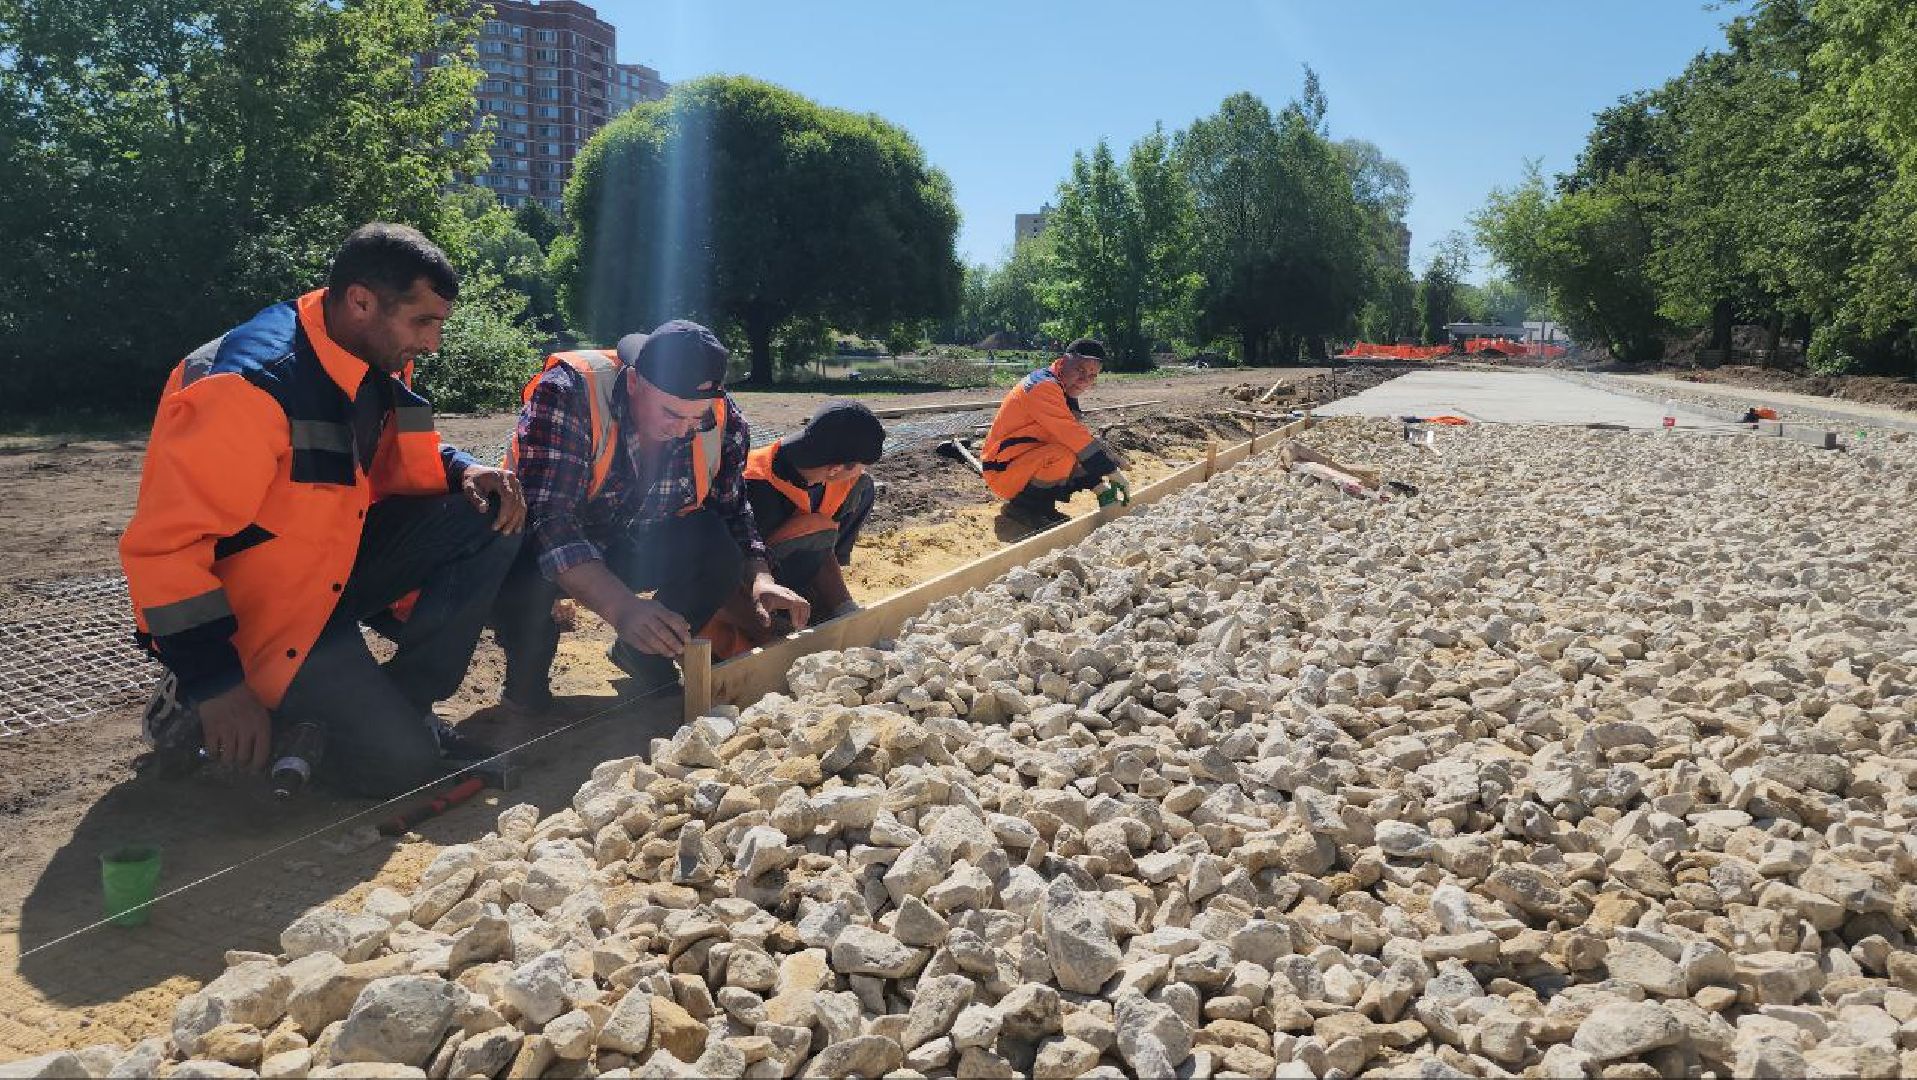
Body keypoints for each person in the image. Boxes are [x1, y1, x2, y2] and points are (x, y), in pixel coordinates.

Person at [120, 223, 527, 798]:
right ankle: (193, 703)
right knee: (397, 770)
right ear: (361, 301)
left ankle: (403, 708)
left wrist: (464, 468)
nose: (433, 343)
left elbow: (402, 454)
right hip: (265, 615)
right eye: (424, 322)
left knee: (489, 513)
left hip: (330, 571)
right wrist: (216, 683)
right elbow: (167, 549)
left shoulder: (376, 354)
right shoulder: (246, 388)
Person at [492, 320, 809, 709]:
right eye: (672, 414)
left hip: (630, 539)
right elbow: (550, 523)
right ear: (633, 383)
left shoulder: (722, 420)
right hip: (540, 550)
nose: (685, 430)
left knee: (716, 548)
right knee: (517, 559)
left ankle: (643, 653)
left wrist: (761, 579)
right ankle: (526, 680)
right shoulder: (569, 393)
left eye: (698, 418)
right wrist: (622, 607)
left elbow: (733, 509)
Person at [702, 400, 884, 658]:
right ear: (834, 469)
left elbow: (824, 549)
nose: (861, 473)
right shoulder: (752, 486)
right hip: (741, 581)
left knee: (858, 492)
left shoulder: (849, 484)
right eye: (859, 465)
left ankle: (814, 600)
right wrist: (767, 628)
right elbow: (713, 576)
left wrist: (844, 608)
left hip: (792, 564)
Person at [979, 338, 1131, 530]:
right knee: (1062, 454)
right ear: (1063, 362)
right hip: (1002, 471)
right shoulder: (1043, 386)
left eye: (1092, 375)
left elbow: (1075, 445)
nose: (1084, 380)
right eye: (1080, 370)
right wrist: (1111, 470)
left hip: (1021, 462)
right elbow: (1074, 438)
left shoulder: (1063, 390)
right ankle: (1024, 508)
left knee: (1069, 452)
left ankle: (1042, 508)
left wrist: (1098, 486)